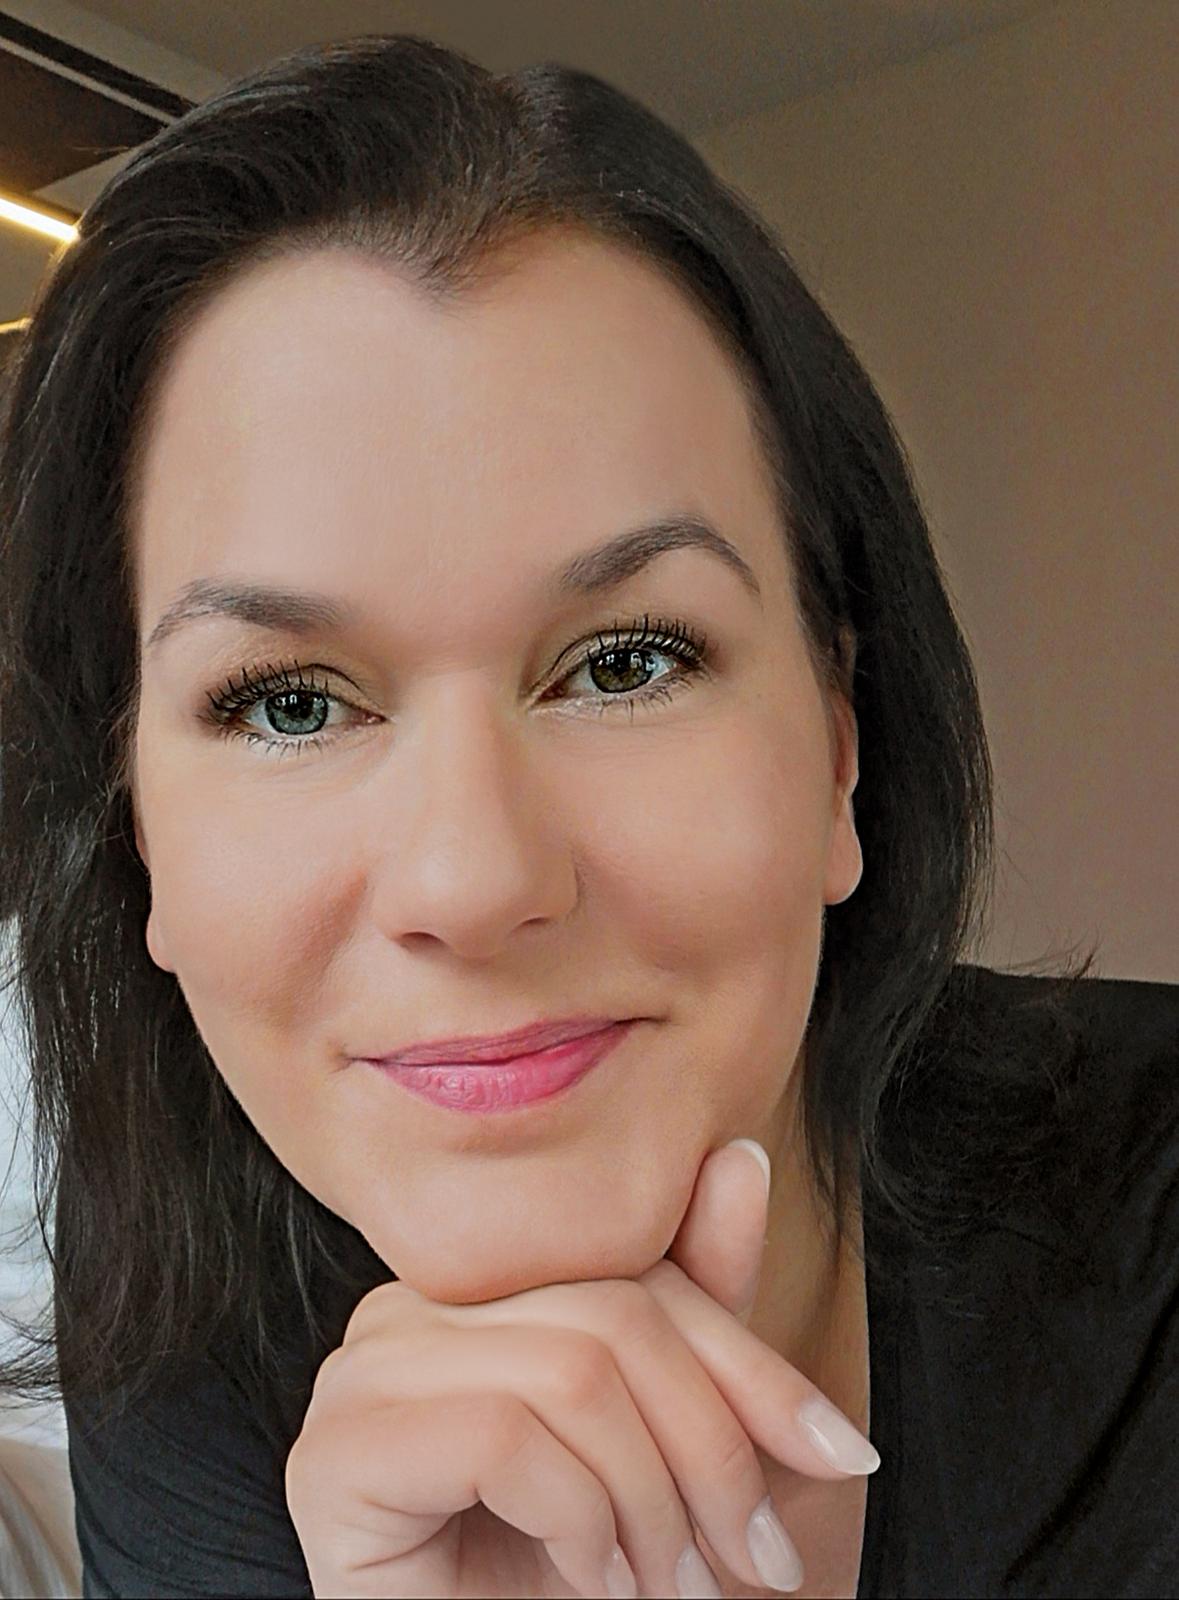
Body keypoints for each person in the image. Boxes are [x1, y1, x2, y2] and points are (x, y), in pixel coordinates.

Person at [0, 31, 1174, 1600]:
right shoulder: (182, 1326)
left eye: (626, 663)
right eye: (288, 703)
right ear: (138, 829)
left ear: (839, 745)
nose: (471, 878)